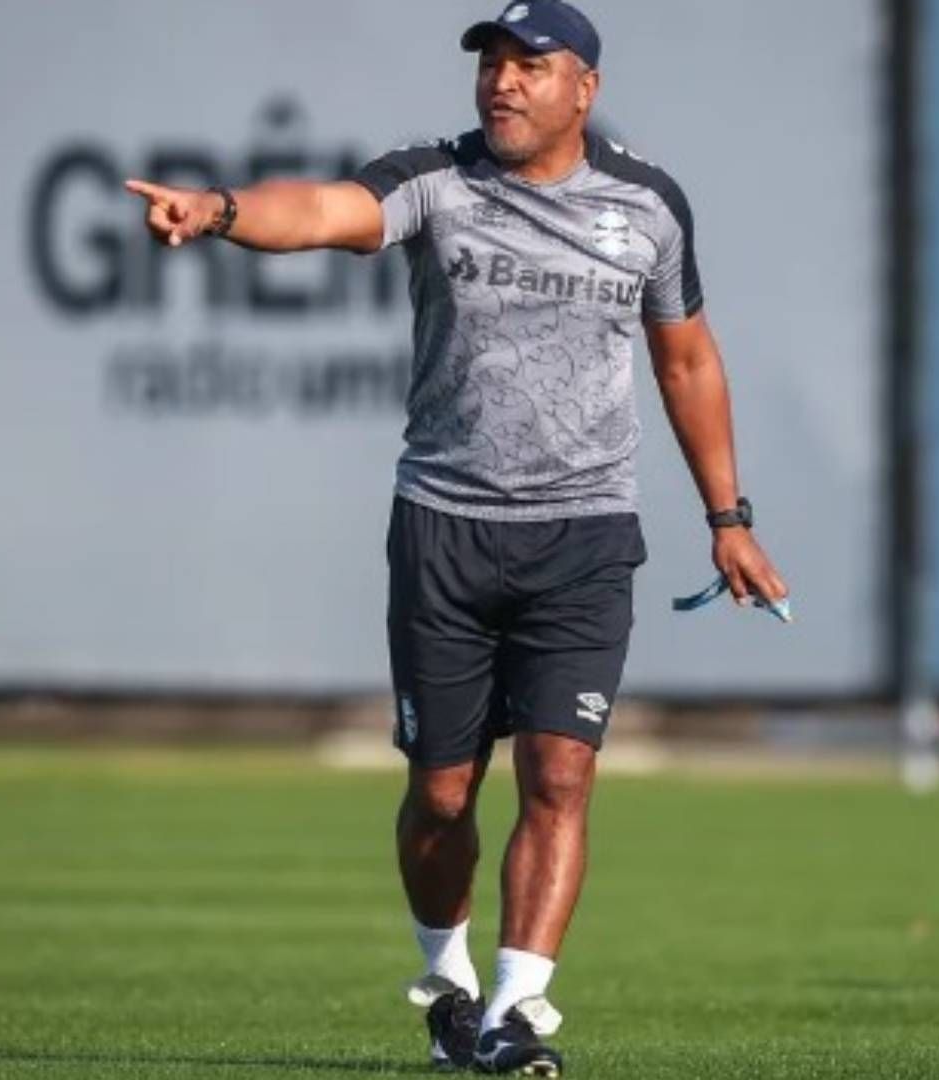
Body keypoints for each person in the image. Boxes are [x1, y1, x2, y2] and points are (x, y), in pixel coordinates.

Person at [124, 2, 788, 1074]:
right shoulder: (434, 178)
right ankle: (450, 983)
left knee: (561, 776)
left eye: (533, 65)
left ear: (586, 88)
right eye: (492, 63)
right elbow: (322, 211)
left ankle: (519, 1013)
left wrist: (729, 520)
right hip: (446, 528)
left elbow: (688, 361)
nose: (504, 83)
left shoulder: (648, 205)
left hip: (583, 536)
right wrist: (220, 209)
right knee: (441, 794)